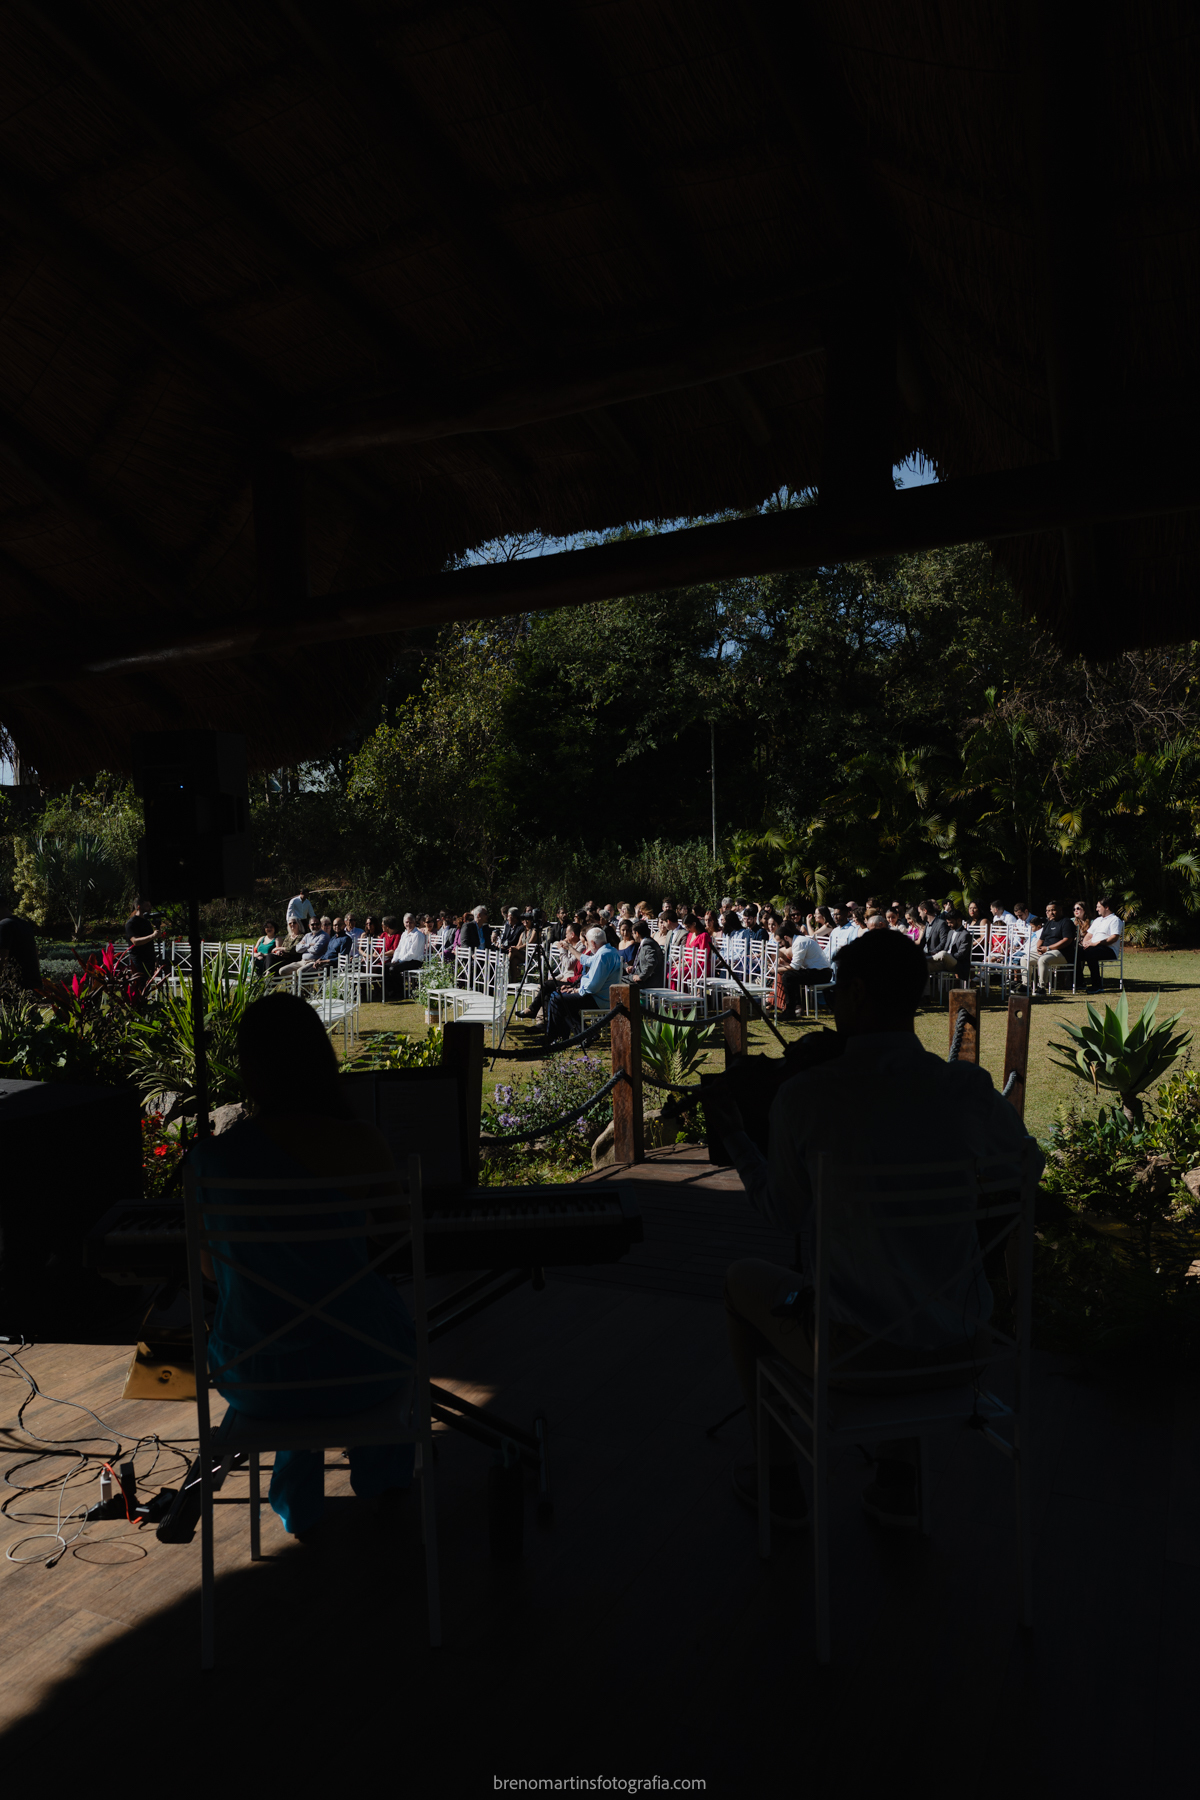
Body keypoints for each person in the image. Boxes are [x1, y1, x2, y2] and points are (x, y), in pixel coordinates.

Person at [707, 929, 1042, 1531]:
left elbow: (783, 1215)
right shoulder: (963, 1091)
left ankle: (777, 1479)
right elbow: (1024, 1170)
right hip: (967, 1350)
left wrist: (735, 1135)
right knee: (906, 1273)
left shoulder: (809, 1096)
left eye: (837, 989)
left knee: (740, 1284)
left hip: (856, 1361)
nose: (832, 1001)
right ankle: (895, 1483)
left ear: (859, 993)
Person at [188, 994, 415, 1539]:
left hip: (258, 1378)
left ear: (250, 1069)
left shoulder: (211, 1162)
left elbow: (210, 1275)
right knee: (349, 1319)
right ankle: (382, 1475)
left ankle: (299, 1504)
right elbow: (397, 1240)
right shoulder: (361, 1143)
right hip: (363, 1367)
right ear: (321, 1060)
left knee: (277, 1321)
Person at [547, 927, 622, 1042]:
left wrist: (577, 990)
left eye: (587, 942)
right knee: (559, 997)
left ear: (592, 942)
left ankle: (554, 1038)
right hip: (601, 995)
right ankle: (583, 1035)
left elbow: (594, 986)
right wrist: (570, 948)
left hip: (600, 999)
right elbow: (587, 960)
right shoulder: (609, 951)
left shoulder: (602, 955)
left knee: (557, 999)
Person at [777, 928, 831, 1019]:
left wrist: (776, 969)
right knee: (790, 976)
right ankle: (795, 1007)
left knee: (788, 977)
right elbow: (797, 965)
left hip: (822, 973)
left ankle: (790, 1010)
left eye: (780, 942)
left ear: (786, 938)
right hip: (818, 971)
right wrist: (782, 966)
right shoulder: (798, 940)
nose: (780, 945)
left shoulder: (799, 942)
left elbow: (795, 967)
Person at [1023, 900, 1075, 992]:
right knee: (1024, 959)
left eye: (1053, 910)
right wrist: (1038, 948)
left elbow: (1067, 940)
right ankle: (1025, 986)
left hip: (1062, 953)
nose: (1051, 913)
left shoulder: (1066, 922)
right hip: (1045, 951)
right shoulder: (1048, 923)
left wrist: (1048, 948)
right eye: (1049, 910)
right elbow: (1041, 939)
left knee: (1043, 959)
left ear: (1060, 909)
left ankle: (1041, 987)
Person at [1080, 897, 1123, 994]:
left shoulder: (1115, 920)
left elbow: (1114, 938)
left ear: (1106, 907)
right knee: (1077, 953)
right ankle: (1079, 983)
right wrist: (1085, 943)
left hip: (1108, 949)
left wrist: (1095, 943)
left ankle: (1097, 986)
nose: (1096, 909)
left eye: (1099, 907)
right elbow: (1089, 935)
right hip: (1093, 947)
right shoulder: (1097, 920)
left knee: (1091, 955)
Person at [125, 897, 164, 987]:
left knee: (147, 988)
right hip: (138, 961)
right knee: (139, 987)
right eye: (147, 906)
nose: (150, 908)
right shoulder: (131, 923)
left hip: (149, 960)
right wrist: (153, 936)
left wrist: (155, 960)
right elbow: (135, 941)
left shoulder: (146, 922)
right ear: (139, 907)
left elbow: (150, 943)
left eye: (150, 906)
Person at [0, 913, 41, 991]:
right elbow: (36, 955)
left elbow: (2, 960)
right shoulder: (25, 924)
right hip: (33, 986)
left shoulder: (4, 925)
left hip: (14, 988)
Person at [628, 918, 664, 989]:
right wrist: (634, 968)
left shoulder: (647, 945)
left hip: (649, 981)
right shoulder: (647, 942)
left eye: (633, 933)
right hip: (645, 978)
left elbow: (652, 962)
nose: (632, 936)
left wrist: (640, 977)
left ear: (637, 933)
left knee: (619, 980)